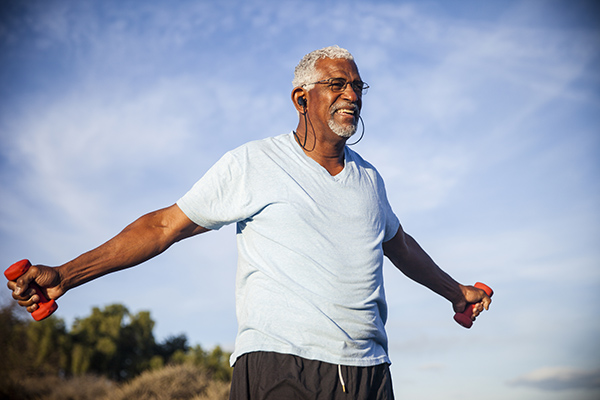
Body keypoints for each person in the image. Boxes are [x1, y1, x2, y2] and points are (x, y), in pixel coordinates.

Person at [7, 46, 491, 399]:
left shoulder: (370, 179)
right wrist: (65, 275)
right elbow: (162, 227)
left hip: (369, 372)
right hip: (281, 366)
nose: (351, 94)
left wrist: (455, 292)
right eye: (337, 84)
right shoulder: (255, 162)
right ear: (302, 98)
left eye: (357, 86)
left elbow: (399, 245)